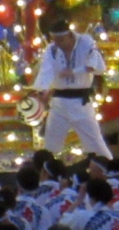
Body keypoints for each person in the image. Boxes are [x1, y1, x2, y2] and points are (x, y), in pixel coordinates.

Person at [32, 17, 112, 158]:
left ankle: (110, 167)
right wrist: (41, 92)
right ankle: (47, 169)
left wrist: (74, 71)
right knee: (51, 145)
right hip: (59, 103)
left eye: (61, 40)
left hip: (81, 103)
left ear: (69, 35)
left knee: (95, 143)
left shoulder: (85, 42)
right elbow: (46, 72)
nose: (58, 44)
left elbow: (97, 66)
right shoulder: (52, 49)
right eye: (54, 40)